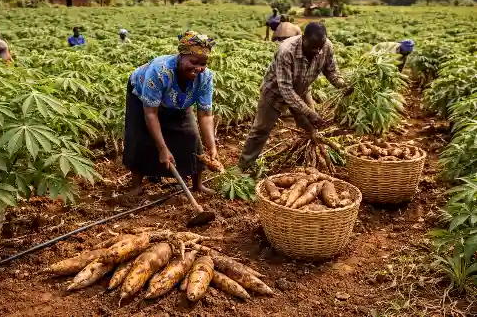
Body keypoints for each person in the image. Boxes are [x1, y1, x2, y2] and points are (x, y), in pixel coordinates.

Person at [238, 22, 353, 170]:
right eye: (313, 47)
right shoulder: (287, 51)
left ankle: (311, 159)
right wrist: (309, 112)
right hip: (275, 92)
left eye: (320, 47)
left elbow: (331, 71)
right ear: (303, 38)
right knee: (261, 129)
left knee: (312, 127)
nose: (317, 51)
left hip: (302, 89)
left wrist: (343, 85)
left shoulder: (326, 46)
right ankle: (244, 166)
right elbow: (285, 89)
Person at [123, 31, 218, 195]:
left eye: (203, 63)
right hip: (142, 96)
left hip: (179, 99)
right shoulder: (160, 72)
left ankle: (197, 185)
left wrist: (211, 145)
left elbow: (205, 114)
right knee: (140, 136)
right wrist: (162, 148)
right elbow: (151, 113)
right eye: (194, 62)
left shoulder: (205, 77)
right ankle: (136, 186)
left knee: (191, 135)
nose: (198, 68)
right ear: (181, 55)